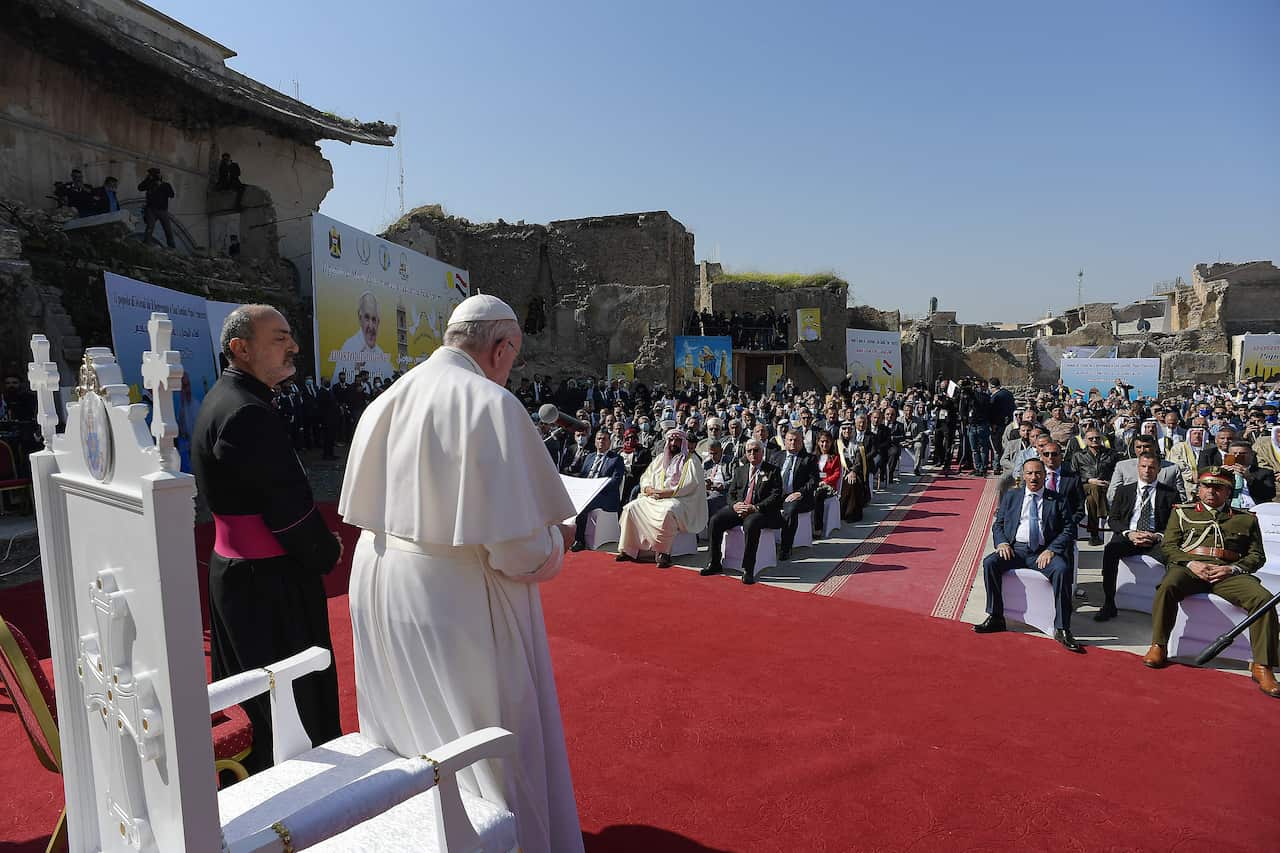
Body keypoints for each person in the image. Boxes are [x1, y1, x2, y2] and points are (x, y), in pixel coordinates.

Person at [338, 293, 585, 852]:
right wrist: (557, 538)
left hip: (379, 577)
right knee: (482, 744)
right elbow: (518, 551)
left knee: (408, 730)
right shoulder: (489, 405)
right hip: (453, 599)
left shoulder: (388, 396)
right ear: (501, 349)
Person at [192, 304, 344, 772]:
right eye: (280, 337)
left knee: (254, 690)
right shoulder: (246, 413)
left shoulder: (232, 398)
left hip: (244, 576)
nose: (293, 346)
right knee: (286, 702)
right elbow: (287, 508)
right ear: (241, 348)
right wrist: (325, 551)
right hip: (268, 584)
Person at [1143, 467, 1279, 698]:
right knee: (1167, 586)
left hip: (1228, 573)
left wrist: (1232, 568)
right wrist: (1190, 564)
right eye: (1206, 486)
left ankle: (1262, 665)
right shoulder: (1182, 512)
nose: (1211, 492)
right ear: (1199, 489)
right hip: (1191, 568)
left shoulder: (1246, 519)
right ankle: (1159, 645)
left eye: (1218, 488)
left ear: (1228, 492)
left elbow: (1257, 556)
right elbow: (1168, 546)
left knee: (1263, 600)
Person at [974, 458, 1084, 653]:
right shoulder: (1012, 496)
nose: (1034, 477)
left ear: (1044, 475)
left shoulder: (1057, 499)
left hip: (1043, 552)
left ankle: (1062, 628)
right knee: (990, 562)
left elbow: (1068, 529)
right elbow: (998, 524)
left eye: (1038, 473)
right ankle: (996, 616)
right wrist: (1001, 542)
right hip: (1015, 550)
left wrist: (1052, 549)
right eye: (1030, 473)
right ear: (1023, 476)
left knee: (1062, 570)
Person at [1096, 452, 1178, 621]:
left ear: (1159, 469)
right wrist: (1129, 533)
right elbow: (1113, 519)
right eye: (1143, 466)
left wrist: (1157, 536)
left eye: (1152, 467)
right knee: (1110, 550)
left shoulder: (1170, 494)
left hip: (1155, 539)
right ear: (1138, 467)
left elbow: (1173, 524)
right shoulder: (1124, 490)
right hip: (1129, 536)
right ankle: (1109, 603)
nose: (1147, 470)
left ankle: (1165, 609)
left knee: (1174, 561)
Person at [616, 428, 708, 567]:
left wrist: (666, 493)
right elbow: (646, 477)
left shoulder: (691, 461)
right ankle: (629, 550)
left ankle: (662, 553)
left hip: (679, 499)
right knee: (630, 508)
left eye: (677, 440)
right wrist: (648, 488)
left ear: (682, 442)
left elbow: (690, 485)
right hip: (654, 497)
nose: (673, 443)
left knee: (668, 511)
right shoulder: (660, 459)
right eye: (671, 440)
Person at [703, 439, 784, 585]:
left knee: (751, 524)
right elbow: (731, 493)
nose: (752, 454)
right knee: (715, 520)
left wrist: (755, 507)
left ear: (762, 452)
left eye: (756, 450)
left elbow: (776, 495)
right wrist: (734, 505)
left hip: (760, 510)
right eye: (749, 451)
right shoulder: (741, 470)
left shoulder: (773, 470)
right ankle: (714, 562)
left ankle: (748, 568)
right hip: (740, 508)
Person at [568, 429, 625, 551]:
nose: (601, 441)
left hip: (605, 496)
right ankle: (564, 534)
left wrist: (596, 487)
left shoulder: (616, 459)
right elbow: (583, 475)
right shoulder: (590, 457)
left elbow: (615, 481)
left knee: (582, 505)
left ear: (610, 442)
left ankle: (579, 540)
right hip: (586, 491)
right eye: (599, 439)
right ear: (594, 442)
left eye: (604, 439)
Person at [769, 428, 820, 560]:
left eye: (796, 440)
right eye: (790, 440)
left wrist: (800, 492)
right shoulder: (776, 456)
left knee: (790, 511)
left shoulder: (809, 459)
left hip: (799, 497)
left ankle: (786, 548)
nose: (792, 443)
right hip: (777, 494)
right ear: (784, 442)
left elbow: (814, 481)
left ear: (801, 442)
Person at [331, 290, 394, 381]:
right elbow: (336, 384)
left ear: (378, 322)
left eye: (374, 319)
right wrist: (356, 369)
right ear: (360, 318)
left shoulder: (381, 354)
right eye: (367, 318)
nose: (371, 326)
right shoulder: (349, 347)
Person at [1072, 427, 1119, 545]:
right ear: (1085, 440)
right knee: (1094, 487)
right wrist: (1089, 480)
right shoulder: (1078, 455)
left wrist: (1110, 482)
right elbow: (1073, 475)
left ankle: (1094, 535)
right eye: (1091, 438)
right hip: (1085, 485)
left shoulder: (1111, 454)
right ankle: (1103, 513)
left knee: (1091, 501)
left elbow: (1118, 471)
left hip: (1106, 485)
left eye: (1097, 438)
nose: (1094, 440)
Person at [812, 430, 843, 536]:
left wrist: (824, 482)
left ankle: (818, 528)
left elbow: (837, 474)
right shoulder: (813, 457)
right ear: (818, 442)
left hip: (829, 487)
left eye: (827, 442)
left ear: (831, 443)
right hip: (814, 484)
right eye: (822, 441)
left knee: (818, 497)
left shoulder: (835, 458)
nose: (824, 444)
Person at [138, 167, 176, 248]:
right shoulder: (149, 183)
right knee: (150, 227)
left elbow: (172, 195)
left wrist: (161, 186)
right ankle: (146, 243)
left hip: (163, 210)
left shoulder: (165, 185)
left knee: (167, 229)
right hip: (151, 209)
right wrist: (147, 179)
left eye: (153, 175)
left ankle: (172, 247)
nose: (152, 176)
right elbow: (140, 188)